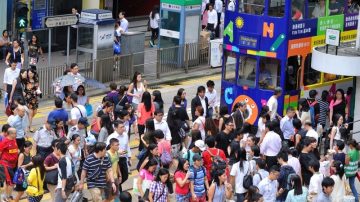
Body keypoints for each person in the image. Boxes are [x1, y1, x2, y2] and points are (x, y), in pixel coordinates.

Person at [106, 120, 131, 190]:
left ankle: (116, 186)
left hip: (123, 158)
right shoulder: (111, 137)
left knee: (125, 176)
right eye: (121, 127)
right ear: (115, 128)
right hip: (114, 159)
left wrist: (129, 157)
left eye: (123, 126)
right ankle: (117, 189)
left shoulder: (125, 135)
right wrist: (117, 152)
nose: (123, 128)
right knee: (116, 176)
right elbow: (107, 149)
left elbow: (127, 146)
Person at [0, 128, 18, 201]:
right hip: (6, 164)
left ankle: (8, 195)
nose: (16, 134)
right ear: (10, 134)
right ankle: (6, 196)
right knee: (10, 182)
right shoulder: (5, 142)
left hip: (13, 164)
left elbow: (14, 149)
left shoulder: (14, 140)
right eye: (14, 133)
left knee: (9, 182)